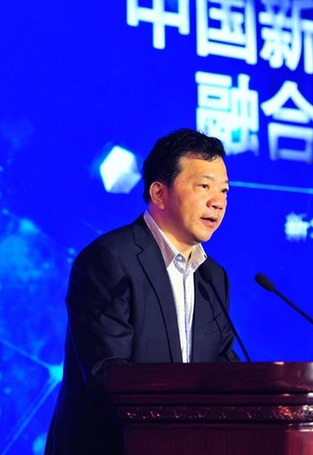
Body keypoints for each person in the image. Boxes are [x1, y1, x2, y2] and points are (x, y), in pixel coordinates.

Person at [45, 128, 239, 454]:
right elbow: (107, 376)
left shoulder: (212, 277)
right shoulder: (108, 259)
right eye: (204, 186)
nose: (218, 202)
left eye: (224, 191)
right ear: (159, 193)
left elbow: (222, 368)